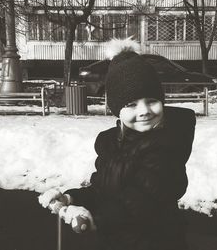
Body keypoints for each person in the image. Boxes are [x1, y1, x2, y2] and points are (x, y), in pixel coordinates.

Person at [41, 39, 196, 250]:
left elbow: (142, 200)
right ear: (116, 109)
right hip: (118, 240)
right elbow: (101, 189)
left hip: (156, 241)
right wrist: (71, 197)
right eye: (131, 104)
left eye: (151, 100)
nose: (144, 111)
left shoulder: (167, 146)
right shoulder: (111, 143)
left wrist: (97, 220)